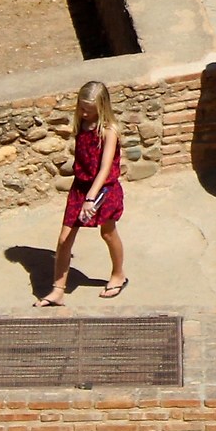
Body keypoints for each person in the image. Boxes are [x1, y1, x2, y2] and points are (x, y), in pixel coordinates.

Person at [41, 80, 125, 304]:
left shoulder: (109, 131)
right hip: (80, 187)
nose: (83, 112)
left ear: (101, 107)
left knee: (107, 233)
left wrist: (91, 198)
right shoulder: (82, 124)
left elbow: (105, 167)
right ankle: (58, 289)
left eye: (89, 108)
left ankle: (118, 274)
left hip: (103, 190)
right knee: (64, 239)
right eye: (81, 107)